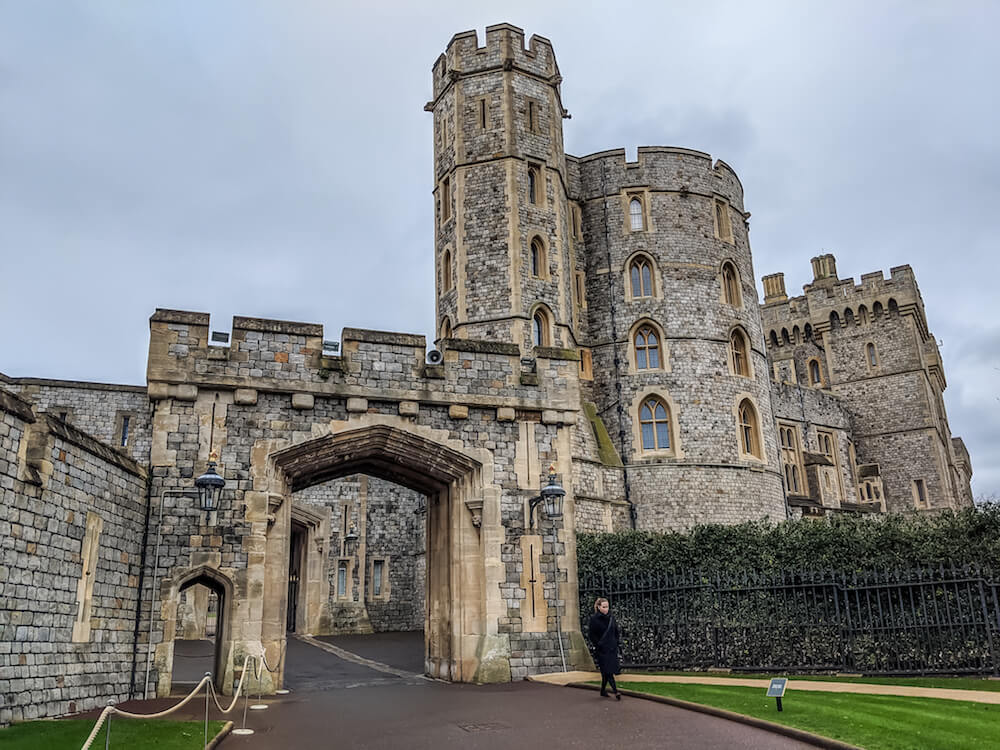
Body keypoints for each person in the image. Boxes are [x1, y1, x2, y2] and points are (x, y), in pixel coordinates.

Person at [587, 597, 621, 699]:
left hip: (611, 648)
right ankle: (616, 691)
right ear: (598, 607)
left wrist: (615, 643)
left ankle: (602, 690)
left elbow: (616, 632)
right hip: (602, 649)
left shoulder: (611, 618)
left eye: (607, 607)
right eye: (604, 607)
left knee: (606, 672)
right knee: (608, 671)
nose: (606, 609)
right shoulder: (594, 619)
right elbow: (591, 635)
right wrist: (598, 644)